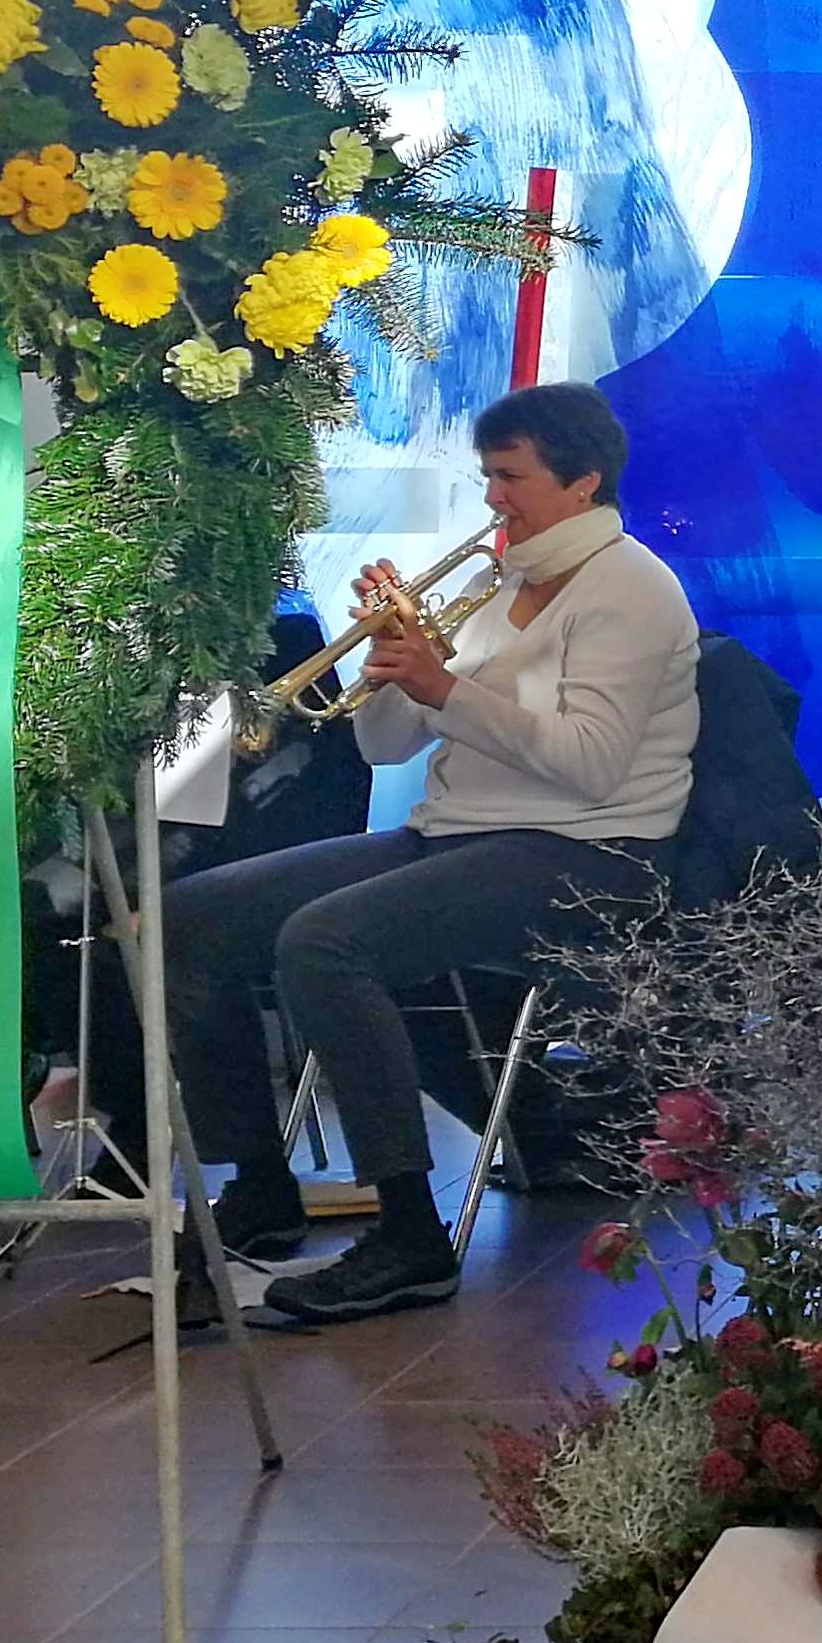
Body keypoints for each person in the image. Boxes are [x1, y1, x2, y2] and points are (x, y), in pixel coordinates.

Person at [165, 381, 699, 1327]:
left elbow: (588, 763)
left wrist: (446, 685)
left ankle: (409, 1233)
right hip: (460, 833)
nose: (494, 497)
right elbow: (386, 750)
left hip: (591, 853)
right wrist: (395, 663)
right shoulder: (491, 584)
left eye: (511, 477)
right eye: (489, 475)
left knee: (325, 943)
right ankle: (258, 1183)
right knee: (191, 919)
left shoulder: (633, 589)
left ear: (584, 482)